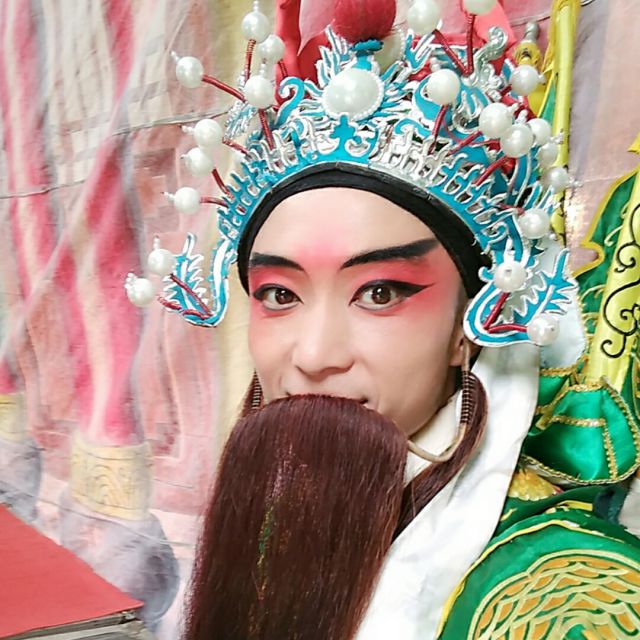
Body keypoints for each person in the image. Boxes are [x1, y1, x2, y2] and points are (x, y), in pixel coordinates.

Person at [126, 0, 640, 637]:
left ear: (470, 323)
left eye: (380, 293)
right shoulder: (283, 498)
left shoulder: (564, 602)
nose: (314, 356)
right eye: (279, 295)